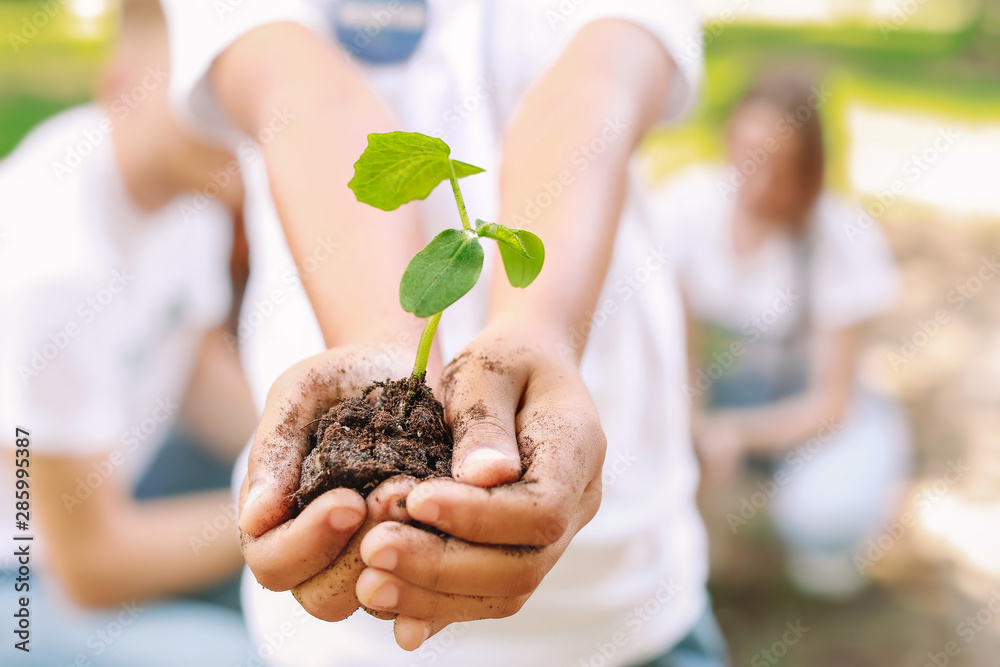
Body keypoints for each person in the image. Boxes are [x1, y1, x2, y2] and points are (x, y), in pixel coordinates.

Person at [159, 0, 726, 665]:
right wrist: (376, 342)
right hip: (347, 639)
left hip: (623, 599)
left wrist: (537, 330)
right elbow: (299, 92)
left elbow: (602, 78)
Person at [0, 1, 257, 663]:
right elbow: (89, 567)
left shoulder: (187, 192)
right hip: (28, 572)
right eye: (205, 92)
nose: (247, 125)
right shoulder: (50, 268)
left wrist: (301, 444)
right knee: (231, 653)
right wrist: (292, 510)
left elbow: (195, 368)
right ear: (122, 84)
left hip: (111, 480)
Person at [657, 71, 911, 597]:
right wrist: (695, 427)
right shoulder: (685, 209)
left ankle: (834, 522)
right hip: (720, 400)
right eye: (748, 152)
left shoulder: (839, 238)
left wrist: (735, 434)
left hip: (818, 415)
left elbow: (830, 405)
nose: (757, 178)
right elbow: (678, 359)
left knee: (825, 522)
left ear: (810, 171)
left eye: (779, 165)